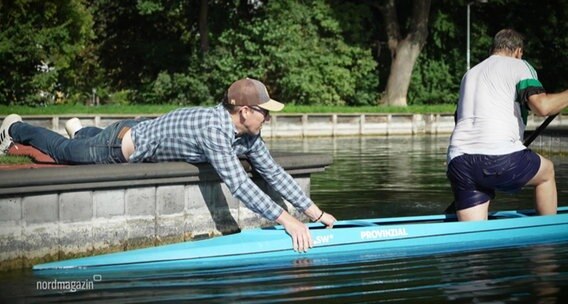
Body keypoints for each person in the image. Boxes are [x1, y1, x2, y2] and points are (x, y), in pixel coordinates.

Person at [0, 78, 337, 251]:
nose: (269, 117)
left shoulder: (246, 133)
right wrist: (289, 221)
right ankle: (14, 127)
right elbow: (239, 184)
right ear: (245, 111)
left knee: (83, 140)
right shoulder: (215, 130)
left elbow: (272, 171)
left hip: (138, 131)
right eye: (265, 111)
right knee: (62, 152)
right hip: (119, 148)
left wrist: (316, 213)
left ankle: (81, 130)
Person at [446, 28, 568, 221]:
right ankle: (547, 238)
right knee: (547, 172)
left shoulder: (470, 73)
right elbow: (542, 107)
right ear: (518, 51)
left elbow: (458, 118)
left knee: (474, 239)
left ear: (492, 49)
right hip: (499, 159)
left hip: (458, 162)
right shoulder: (519, 65)